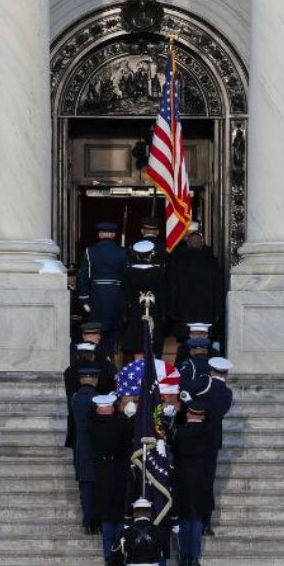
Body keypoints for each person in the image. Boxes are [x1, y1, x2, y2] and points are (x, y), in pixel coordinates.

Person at [90, 393, 134, 565]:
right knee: (120, 512)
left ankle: (109, 554)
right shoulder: (122, 423)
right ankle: (119, 551)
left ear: (98, 409)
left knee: (107, 514)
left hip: (103, 470)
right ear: (112, 408)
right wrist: (129, 416)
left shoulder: (93, 424)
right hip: (121, 470)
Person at [171, 399, 215, 566]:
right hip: (202, 479)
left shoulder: (179, 432)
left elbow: (174, 452)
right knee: (197, 519)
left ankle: (184, 556)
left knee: (184, 518)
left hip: (182, 479)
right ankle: (194, 557)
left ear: (188, 414)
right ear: (202, 416)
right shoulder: (210, 433)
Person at [77, 222, 129, 360]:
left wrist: (83, 299)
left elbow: (83, 277)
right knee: (113, 330)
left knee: (95, 329)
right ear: (113, 235)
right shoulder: (123, 252)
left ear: (100, 234)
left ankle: (96, 359)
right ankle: (109, 359)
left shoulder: (90, 251)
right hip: (115, 294)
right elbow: (127, 277)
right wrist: (126, 300)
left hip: (96, 295)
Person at [167, 228, 224, 347]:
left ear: (188, 243)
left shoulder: (178, 260)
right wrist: (218, 310)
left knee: (185, 342)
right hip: (206, 308)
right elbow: (217, 287)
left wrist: (171, 309)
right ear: (202, 243)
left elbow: (173, 287)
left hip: (184, 309)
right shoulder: (212, 261)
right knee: (205, 341)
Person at [201, 357, 233, 536]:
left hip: (195, 437)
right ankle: (206, 522)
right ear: (226, 374)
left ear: (211, 371)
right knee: (208, 481)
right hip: (213, 439)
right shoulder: (227, 393)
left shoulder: (203, 386)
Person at [121, 240, 166, 362]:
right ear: (151, 254)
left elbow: (125, 294)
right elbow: (162, 294)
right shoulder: (158, 271)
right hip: (154, 308)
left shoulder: (129, 272)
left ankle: (138, 364)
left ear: (136, 255)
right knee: (154, 338)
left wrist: (124, 313)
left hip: (135, 308)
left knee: (137, 339)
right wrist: (163, 313)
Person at [71, 367, 101, 535]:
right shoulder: (97, 399)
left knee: (86, 488)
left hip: (81, 449)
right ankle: (96, 521)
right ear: (95, 380)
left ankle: (88, 522)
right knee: (96, 489)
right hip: (95, 449)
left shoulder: (75, 398)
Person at [111, 498, 168, 566]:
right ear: (150, 514)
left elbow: (115, 556)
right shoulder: (160, 530)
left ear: (134, 514)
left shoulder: (125, 532)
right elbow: (165, 554)